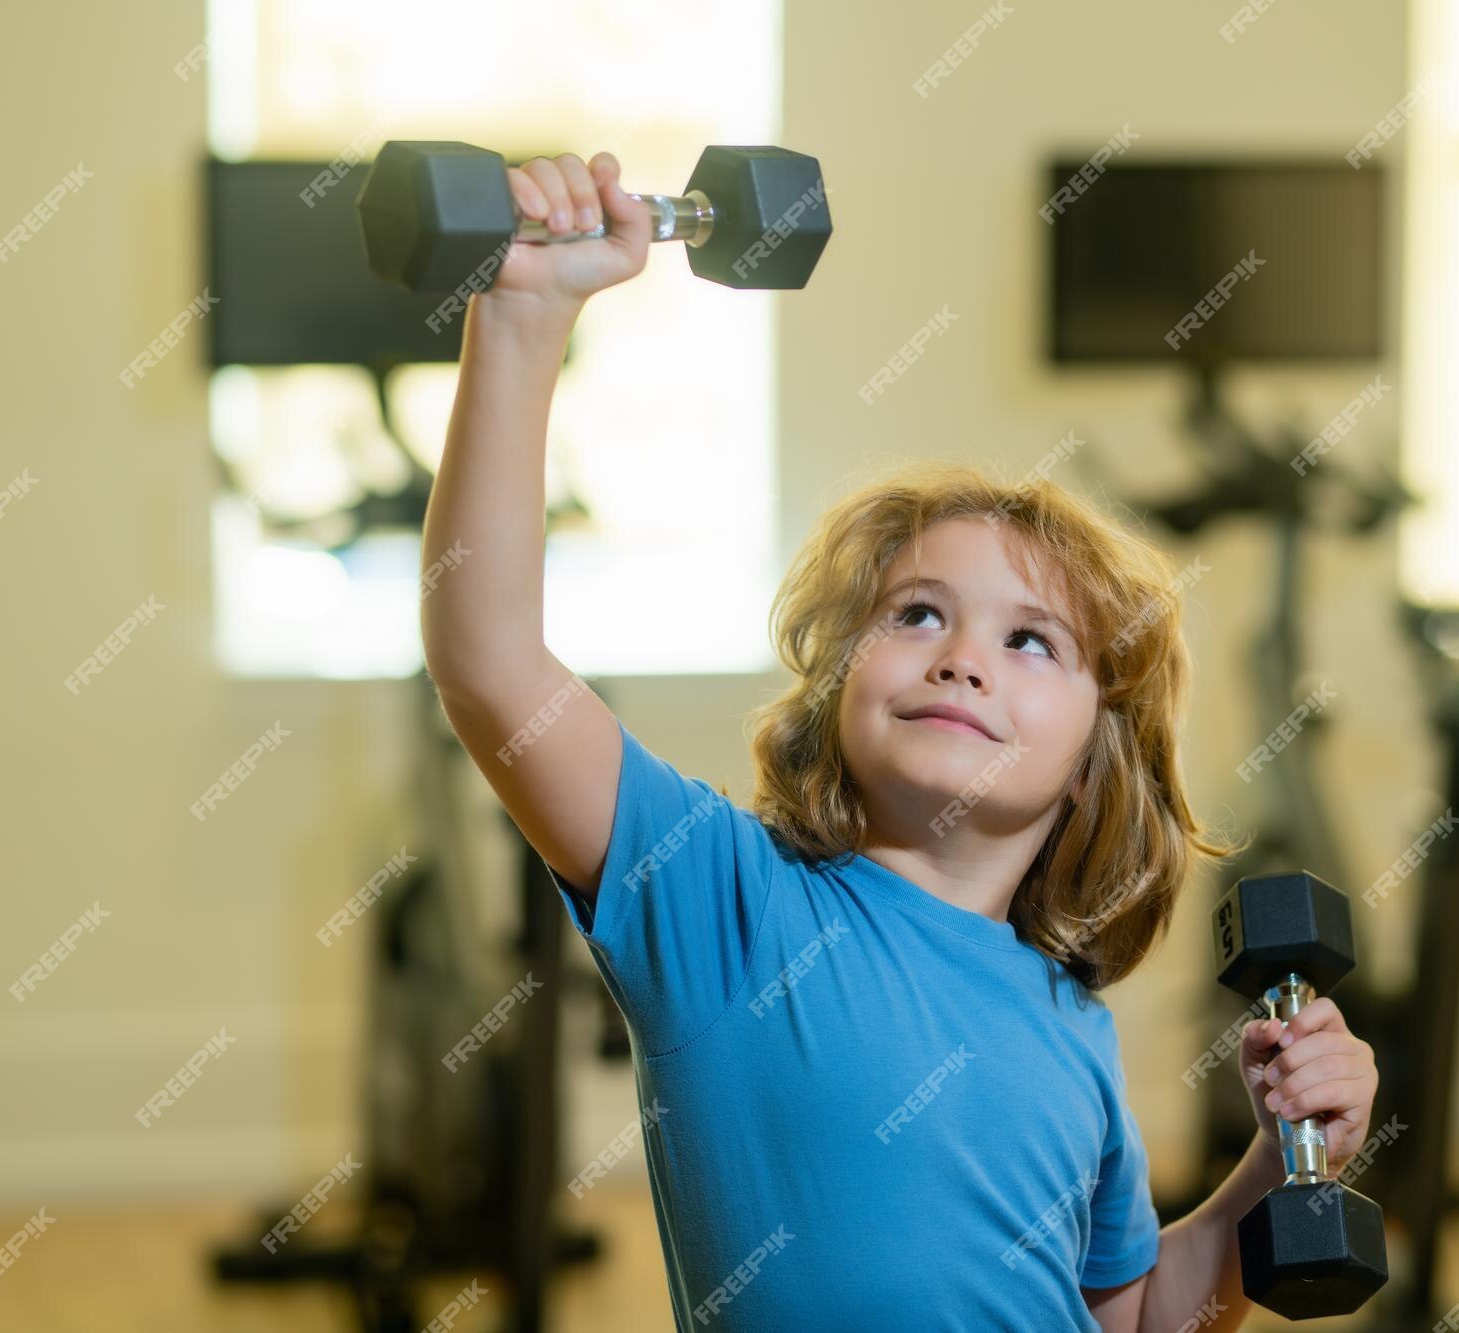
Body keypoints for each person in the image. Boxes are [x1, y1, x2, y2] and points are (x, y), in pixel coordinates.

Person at [419, 149, 1381, 1333]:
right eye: (916, 612)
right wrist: (521, 321)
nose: (961, 654)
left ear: (1093, 762)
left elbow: (1136, 1316)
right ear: (836, 687)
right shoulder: (727, 905)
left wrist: (1281, 1164)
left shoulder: (1068, 1022)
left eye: (1031, 641)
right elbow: (488, 660)